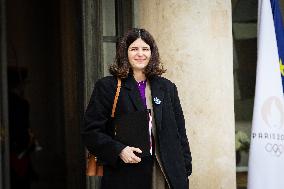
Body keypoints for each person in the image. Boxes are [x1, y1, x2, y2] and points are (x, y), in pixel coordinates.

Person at [82, 28, 192, 189]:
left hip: (167, 174)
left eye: (145, 49)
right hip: (127, 175)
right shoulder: (107, 86)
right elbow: (90, 132)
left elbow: (180, 132)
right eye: (134, 49)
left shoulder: (167, 87)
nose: (140, 54)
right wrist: (119, 150)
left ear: (152, 53)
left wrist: (185, 169)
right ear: (124, 53)